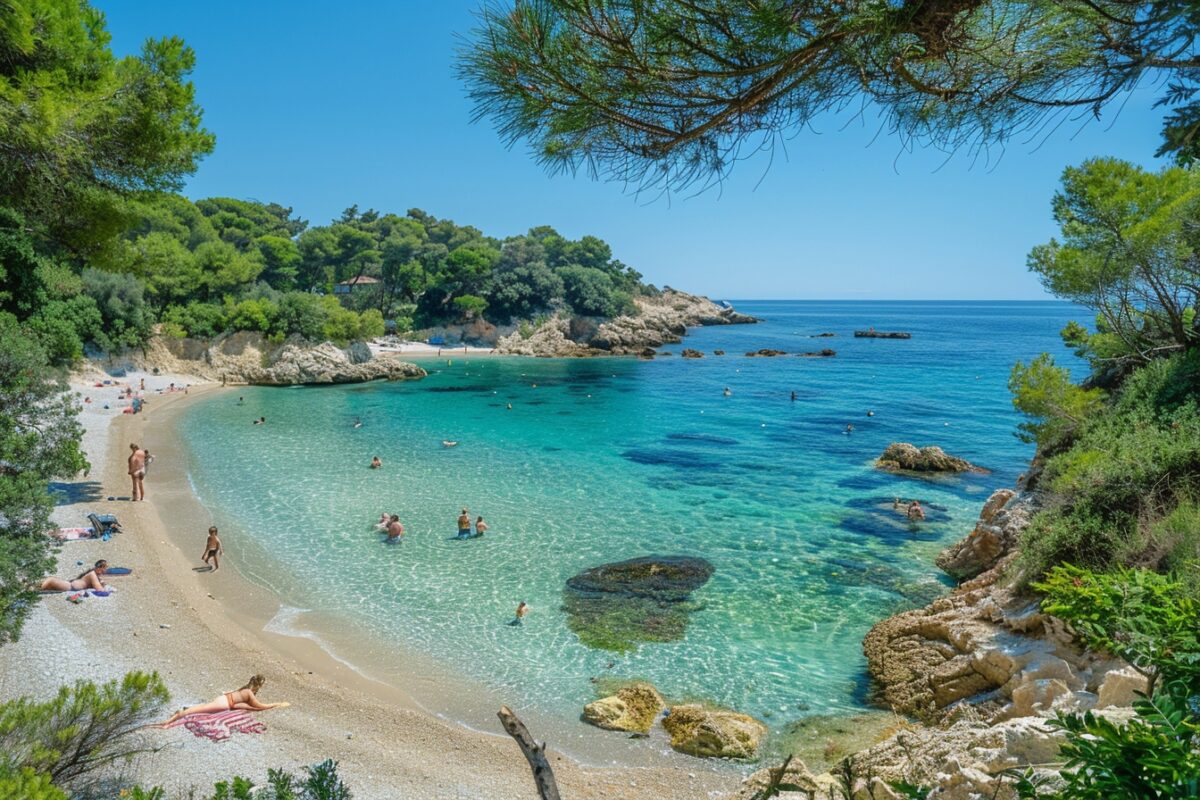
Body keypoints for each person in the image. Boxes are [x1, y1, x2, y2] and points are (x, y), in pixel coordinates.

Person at [156, 675, 289, 727]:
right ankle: (167, 723)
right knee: (192, 711)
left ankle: (171, 720)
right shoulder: (249, 693)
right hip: (223, 704)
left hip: (223, 699)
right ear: (258, 685)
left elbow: (241, 705)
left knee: (199, 708)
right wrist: (277, 704)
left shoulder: (244, 689)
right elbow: (260, 706)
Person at [41, 560, 109, 592]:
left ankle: (35, 588)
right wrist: (106, 589)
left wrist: (103, 584)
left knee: (49, 584)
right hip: (69, 586)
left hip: (70, 586)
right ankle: (36, 590)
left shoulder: (95, 575)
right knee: (51, 579)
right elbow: (99, 589)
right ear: (100, 567)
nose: (105, 570)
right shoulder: (92, 574)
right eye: (105, 568)